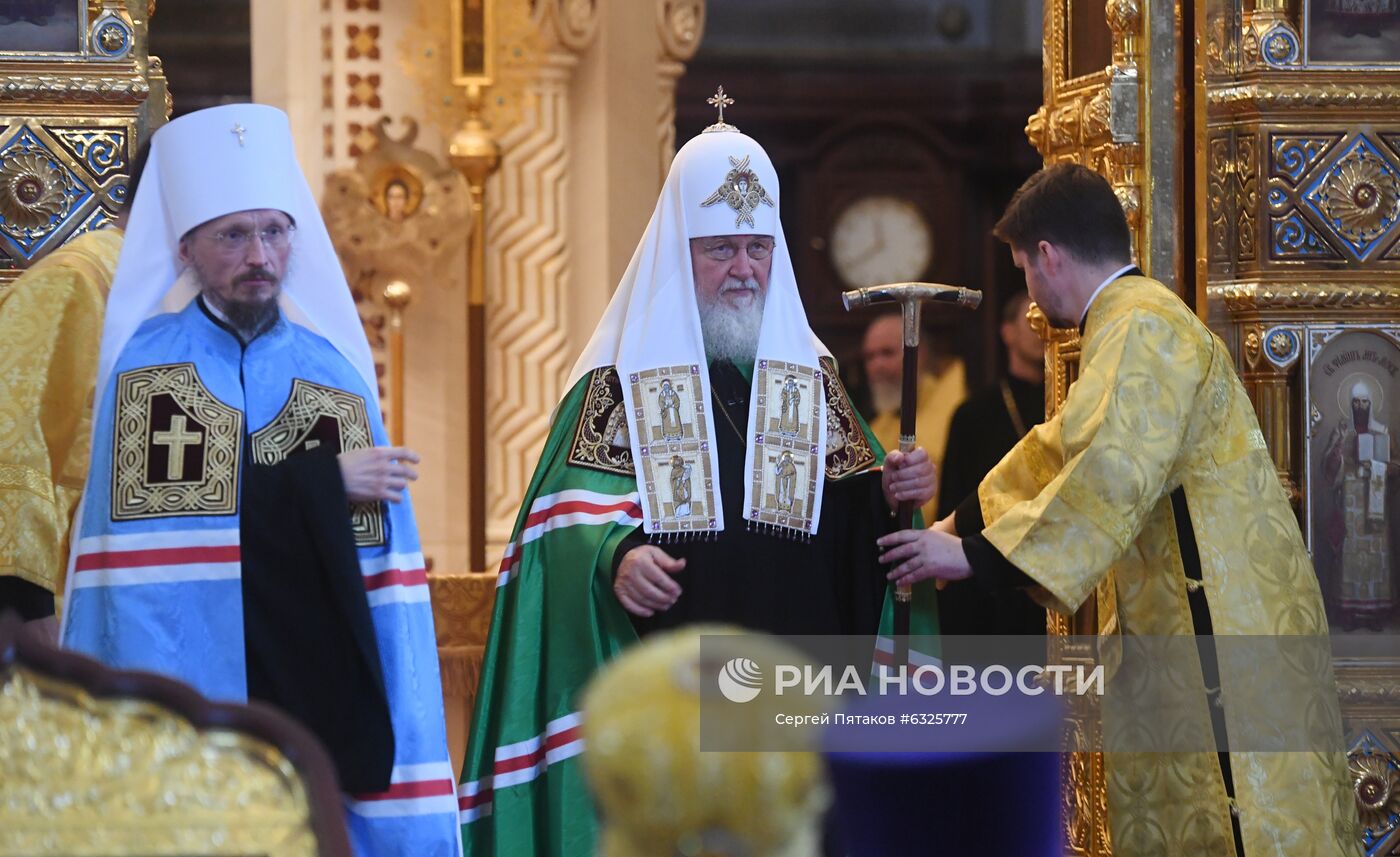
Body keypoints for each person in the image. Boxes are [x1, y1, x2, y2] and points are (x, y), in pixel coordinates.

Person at [459, 108, 937, 856]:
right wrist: (615, 555)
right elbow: (558, 526)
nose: (744, 268)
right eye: (721, 249)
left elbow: (859, 535)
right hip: (675, 700)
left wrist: (894, 491)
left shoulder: (811, 380)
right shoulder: (615, 382)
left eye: (757, 247)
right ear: (679, 256)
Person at [876, 163, 1356, 856]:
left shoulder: (1142, 329)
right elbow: (1059, 445)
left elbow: (1112, 469)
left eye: (1023, 272)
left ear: (1048, 256)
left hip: (1218, 639)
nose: (1032, 299)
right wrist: (957, 525)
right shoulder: (1134, 321)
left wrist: (972, 557)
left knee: (1240, 823)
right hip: (1197, 631)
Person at [58, 104, 459, 856]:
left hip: (312, 678)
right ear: (186, 249)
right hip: (187, 679)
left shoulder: (331, 369)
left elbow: (365, 562)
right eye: (233, 235)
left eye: (274, 231)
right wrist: (324, 482)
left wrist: (318, 492)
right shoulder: (147, 372)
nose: (259, 255)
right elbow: (163, 547)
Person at [0, 143, 148, 640]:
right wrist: (27, 606)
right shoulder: (77, 280)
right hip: (60, 602)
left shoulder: (165, 288)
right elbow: (13, 444)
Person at [934, 290, 1046, 637]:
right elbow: (955, 501)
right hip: (988, 591)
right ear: (1007, 332)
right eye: (1030, 320)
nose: (1041, 328)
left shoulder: (1073, 402)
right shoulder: (974, 414)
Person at [862, 312, 965, 522]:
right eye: (869, 357)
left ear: (920, 353)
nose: (877, 366)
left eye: (887, 353)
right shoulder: (875, 426)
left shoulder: (957, 398)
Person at [1323, 377, 1397, 628]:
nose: (1361, 406)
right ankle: (1349, 613)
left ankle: (1376, 613)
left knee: (1377, 556)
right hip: (1351, 506)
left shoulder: (1382, 431)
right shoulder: (1342, 431)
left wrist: (1380, 467)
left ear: (1371, 403)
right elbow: (1329, 470)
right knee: (1349, 556)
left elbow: (1396, 464)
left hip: (1375, 504)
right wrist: (1340, 450)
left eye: (1365, 402)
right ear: (1350, 404)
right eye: (1356, 402)